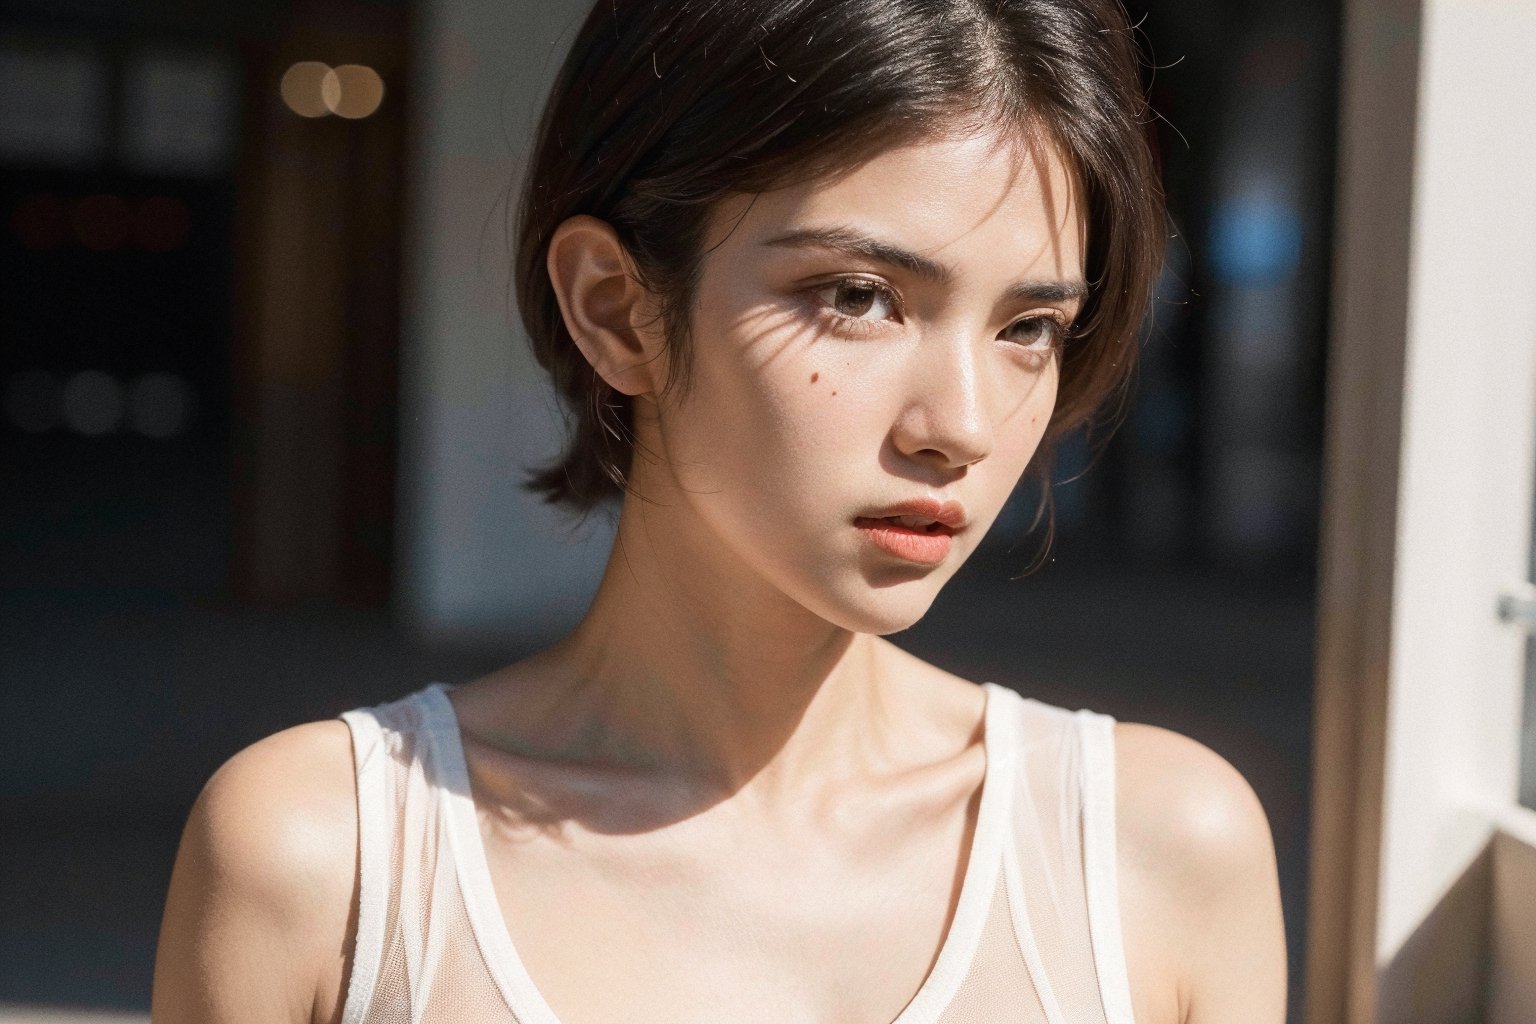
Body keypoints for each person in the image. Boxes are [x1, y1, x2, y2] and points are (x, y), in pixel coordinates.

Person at [153, 1, 1287, 1021]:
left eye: (1027, 326)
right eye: (860, 297)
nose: (964, 424)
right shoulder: (327, 861)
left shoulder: (1156, 855)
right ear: (616, 308)